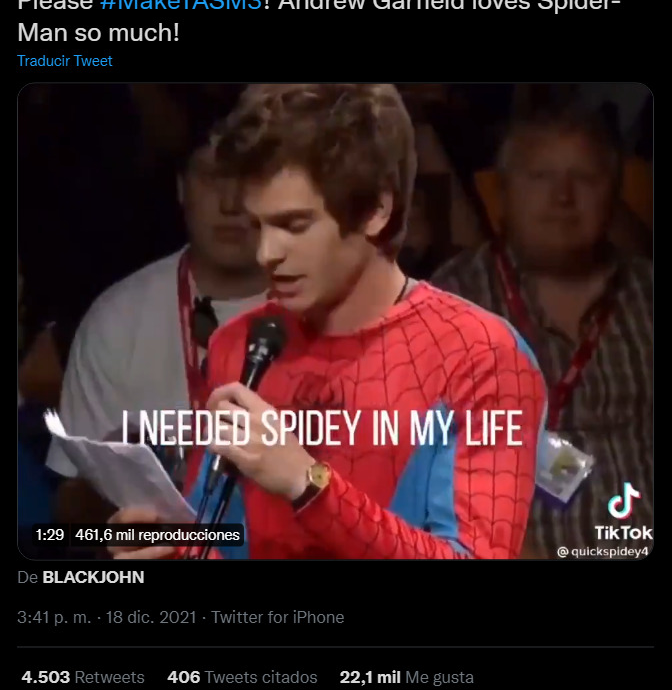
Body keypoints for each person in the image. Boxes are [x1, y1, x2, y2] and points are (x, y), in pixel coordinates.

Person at [109, 83, 547, 560]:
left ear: (376, 210)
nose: (266, 253)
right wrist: (170, 547)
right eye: (257, 226)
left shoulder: (481, 356)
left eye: (294, 225)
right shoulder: (241, 345)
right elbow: (213, 538)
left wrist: (307, 483)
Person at [432, 108, 653, 558]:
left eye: (584, 178)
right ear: (504, 193)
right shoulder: (447, 303)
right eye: (540, 177)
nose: (563, 197)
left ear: (614, 192)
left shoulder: (647, 294)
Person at [47, 129, 268, 522]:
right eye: (212, 177)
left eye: (250, 177)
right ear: (182, 188)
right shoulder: (118, 318)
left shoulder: (330, 309)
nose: (231, 203)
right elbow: (71, 501)